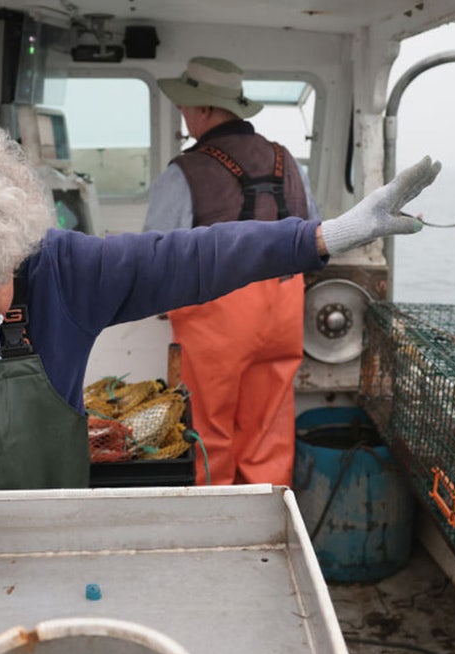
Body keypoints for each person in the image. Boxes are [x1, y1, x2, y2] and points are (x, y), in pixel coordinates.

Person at [0, 127, 440, 506]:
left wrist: (322, 237)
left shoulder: (52, 269)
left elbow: (184, 257)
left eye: (1, 276)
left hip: (50, 538)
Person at [143, 56, 317, 486]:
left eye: (185, 105)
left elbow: (154, 254)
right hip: (283, 308)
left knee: (208, 432)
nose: (183, 114)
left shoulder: (185, 172)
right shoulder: (288, 162)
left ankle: (215, 531)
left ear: (203, 109)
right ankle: (267, 524)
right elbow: (316, 233)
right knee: (268, 432)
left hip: (217, 316)